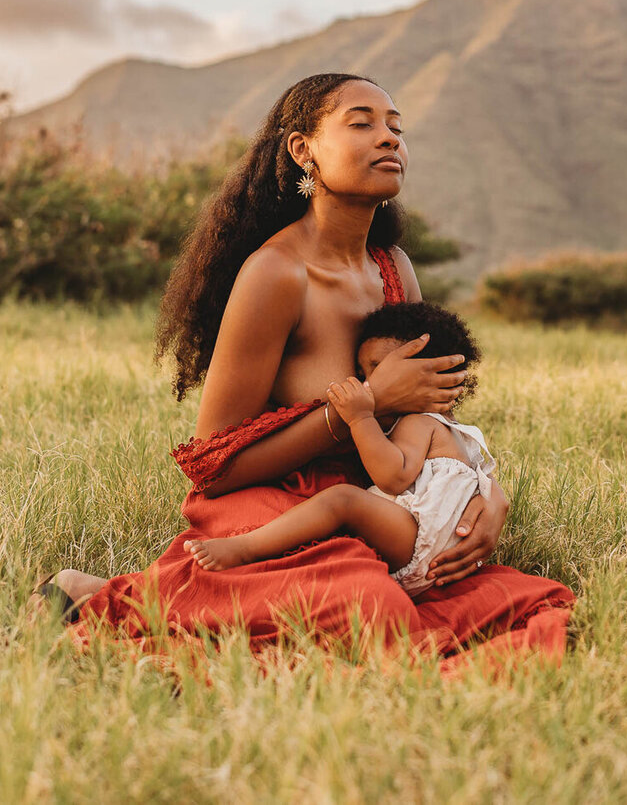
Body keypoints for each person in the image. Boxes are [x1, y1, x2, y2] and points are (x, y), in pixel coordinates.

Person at [33, 73, 572, 661]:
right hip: (271, 501)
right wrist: (365, 407)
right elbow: (214, 465)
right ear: (302, 149)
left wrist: (486, 498)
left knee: (527, 600)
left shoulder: (393, 268)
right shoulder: (276, 274)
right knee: (377, 614)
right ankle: (111, 601)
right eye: (362, 123)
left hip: (370, 499)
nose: (388, 138)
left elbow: (428, 429)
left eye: (396, 128)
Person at [184, 302, 495, 598]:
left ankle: (245, 547)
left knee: (342, 500)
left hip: (423, 538)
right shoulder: (453, 426)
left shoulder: (418, 423)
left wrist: (359, 418)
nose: (367, 383)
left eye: (377, 369)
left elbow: (393, 477)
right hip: (446, 545)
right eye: (363, 373)